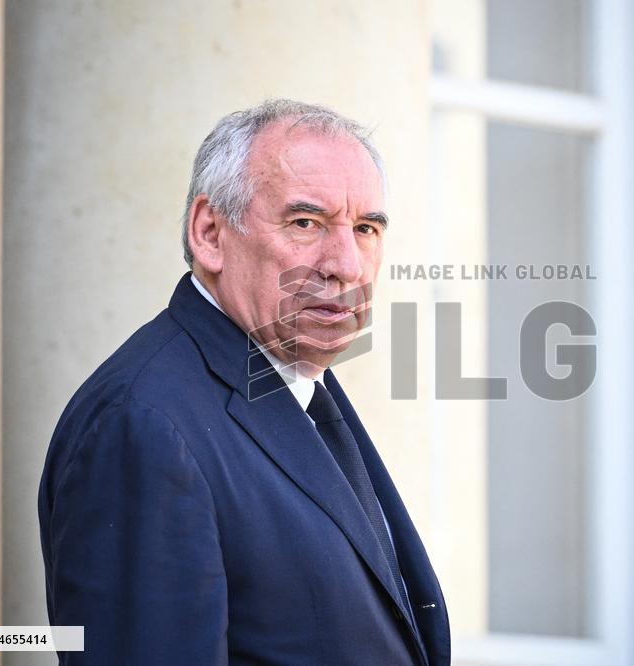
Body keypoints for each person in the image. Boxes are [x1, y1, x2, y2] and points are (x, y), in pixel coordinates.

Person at [37, 99, 450, 665]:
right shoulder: (143, 425)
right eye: (306, 222)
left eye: (366, 228)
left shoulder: (296, 389)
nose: (348, 265)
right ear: (210, 233)